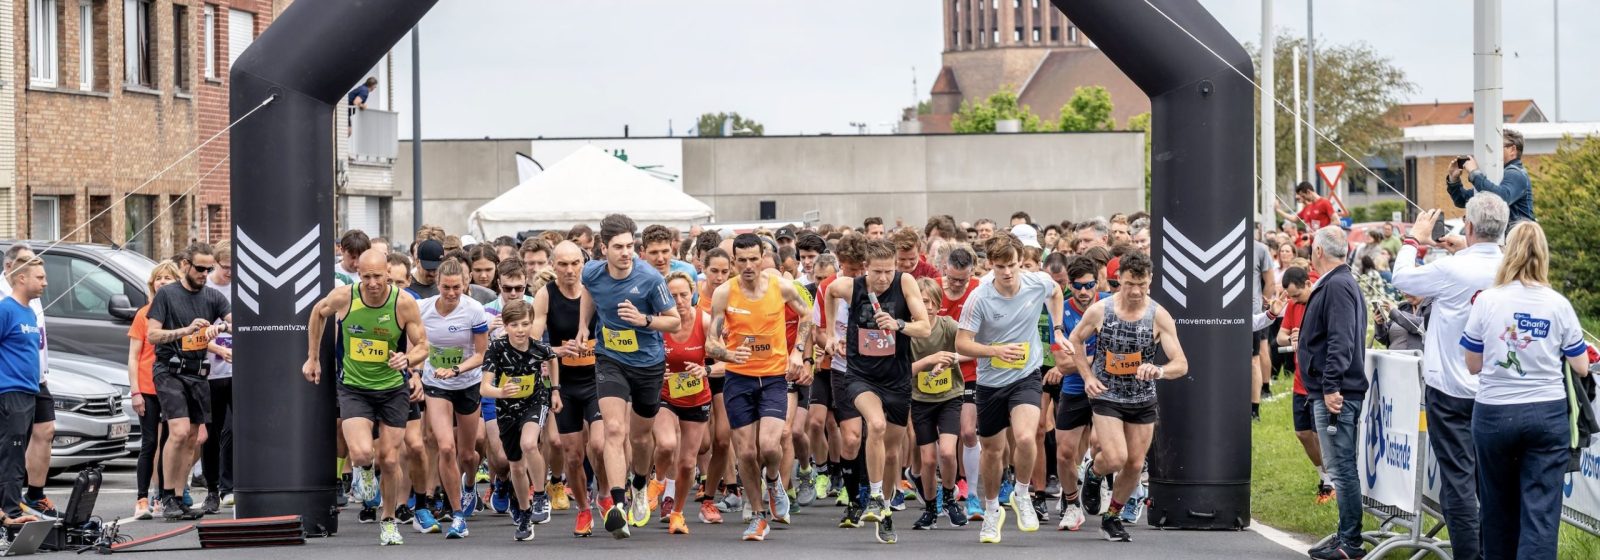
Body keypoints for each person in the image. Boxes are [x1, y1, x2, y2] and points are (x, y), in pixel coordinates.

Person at [1390, 194, 1510, 560]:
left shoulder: (1452, 269)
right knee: (1491, 483)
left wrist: (1414, 239)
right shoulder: (1510, 265)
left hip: (1451, 389)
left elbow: (1401, 279)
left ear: (1469, 227)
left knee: (1457, 483)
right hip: (1498, 389)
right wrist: (1465, 249)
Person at [1462, 221, 1588, 560]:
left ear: (1508, 252)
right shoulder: (1558, 304)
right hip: (1546, 413)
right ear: (1544, 255)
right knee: (1541, 512)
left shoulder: (1487, 301)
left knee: (1496, 507)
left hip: (1493, 413)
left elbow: (1472, 364)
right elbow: (1581, 366)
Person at [303, 249, 428, 546]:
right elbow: (317, 314)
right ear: (358, 274)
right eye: (366, 276)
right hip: (355, 388)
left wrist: (408, 360)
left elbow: (423, 345)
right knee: (360, 453)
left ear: (388, 273)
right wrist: (313, 358)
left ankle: (387, 521)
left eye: (378, 276)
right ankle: (364, 470)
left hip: (392, 390)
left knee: (390, 457)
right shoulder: (345, 296)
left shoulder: (403, 302)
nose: (372, 283)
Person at [1066, 250, 1189, 544]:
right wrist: (1088, 377)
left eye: (1142, 283)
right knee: (1117, 457)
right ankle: (1094, 473)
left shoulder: (1158, 315)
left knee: (1134, 464)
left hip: (1142, 397)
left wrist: (1157, 370)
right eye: (1130, 283)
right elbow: (1075, 340)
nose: (1135, 290)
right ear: (1118, 279)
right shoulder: (1101, 310)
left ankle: (1112, 518)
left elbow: (1181, 364)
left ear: (1150, 281)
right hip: (1106, 394)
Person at [956, 232, 1068, 544]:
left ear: (1022, 262)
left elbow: (1056, 292)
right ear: (990, 265)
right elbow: (961, 342)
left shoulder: (1037, 282)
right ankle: (992, 510)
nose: (1007, 272)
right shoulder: (979, 297)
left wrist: (1057, 328)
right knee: (992, 451)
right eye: (1000, 266)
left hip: (1026, 374)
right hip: (991, 381)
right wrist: (995, 351)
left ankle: (1022, 493)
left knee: (1026, 435)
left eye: (1013, 265)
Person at [824, 237, 932, 545]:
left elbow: (923, 327)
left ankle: (884, 508)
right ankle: (871, 496)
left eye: (888, 271)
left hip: (897, 377)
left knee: (892, 452)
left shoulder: (905, 282)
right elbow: (829, 293)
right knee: (876, 425)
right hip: (860, 376)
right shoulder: (851, 286)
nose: (883, 278)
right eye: (877, 272)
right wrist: (832, 333)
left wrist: (898, 324)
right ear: (865, 268)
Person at [582, 214, 682, 539]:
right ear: (603, 248)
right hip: (610, 359)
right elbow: (588, 291)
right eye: (618, 247)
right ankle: (618, 505)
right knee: (613, 429)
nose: (626, 253)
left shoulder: (650, 279)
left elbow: (675, 322)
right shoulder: (592, 271)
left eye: (630, 246)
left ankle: (640, 483)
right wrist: (585, 325)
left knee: (640, 438)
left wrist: (643, 319)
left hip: (648, 365)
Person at [708, 234, 814, 541]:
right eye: (741, 261)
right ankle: (757, 515)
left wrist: (798, 352)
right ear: (733, 263)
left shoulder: (781, 286)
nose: (748, 266)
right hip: (738, 379)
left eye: (754, 259)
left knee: (769, 446)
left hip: (772, 378)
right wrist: (728, 354)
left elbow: (807, 315)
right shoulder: (724, 293)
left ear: (763, 256)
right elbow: (711, 342)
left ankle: (773, 481)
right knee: (746, 451)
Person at [1296, 226, 1368, 560]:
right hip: (1332, 388)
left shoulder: (1337, 284)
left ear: (1319, 251)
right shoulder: (1338, 282)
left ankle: (1351, 542)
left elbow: (1341, 339)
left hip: (1337, 393)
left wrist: (1330, 386)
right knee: (1339, 466)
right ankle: (1345, 535)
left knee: (1341, 468)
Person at [147, 243, 231, 521]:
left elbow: (236, 322)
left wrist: (221, 327)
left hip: (198, 373)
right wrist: (186, 330)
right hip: (169, 370)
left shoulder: (213, 297)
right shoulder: (168, 295)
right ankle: (166, 495)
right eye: (200, 268)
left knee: (194, 437)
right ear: (185, 264)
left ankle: (180, 497)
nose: (205, 274)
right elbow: (152, 335)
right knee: (180, 431)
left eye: (209, 269)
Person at [533, 241, 603, 537]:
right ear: (553, 265)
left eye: (575, 263)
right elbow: (533, 345)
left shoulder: (597, 293)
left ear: (583, 263)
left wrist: (593, 346)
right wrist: (560, 350)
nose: (570, 270)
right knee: (572, 454)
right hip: (565, 383)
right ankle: (584, 510)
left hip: (599, 379)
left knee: (599, 445)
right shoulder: (545, 295)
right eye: (563, 264)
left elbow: (616, 334)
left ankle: (609, 494)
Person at [478, 299, 561, 542]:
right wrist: (500, 393)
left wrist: (555, 389)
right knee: (514, 464)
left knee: (529, 444)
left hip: (535, 403)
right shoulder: (496, 349)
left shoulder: (538, 347)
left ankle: (540, 495)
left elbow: (552, 357)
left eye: (525, 324)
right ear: (505, 326)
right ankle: (524, 513)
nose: (521, 329)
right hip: (506, 409)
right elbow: (484, 388)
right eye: (514, 325)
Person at [653, 272, 717, 535]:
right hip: (665, 395)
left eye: (683, 295)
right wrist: (657, 372)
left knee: (688, 463)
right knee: (667, 444)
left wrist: (707, 371)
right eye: (672, 295)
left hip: (696, 397)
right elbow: (640, 359)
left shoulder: (705, 320)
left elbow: (727, 360)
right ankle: (656, 482)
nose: (678, 301)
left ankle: (677, 513)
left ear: (693, 293)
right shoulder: (657, 323)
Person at [1050, 255, 1106, 530]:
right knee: (1064, 453)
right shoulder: (1061, 315)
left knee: (1100, 443)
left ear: (1098, 283)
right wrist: (1100, 359)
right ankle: (1072, 505)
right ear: (1069, 285)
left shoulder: (1110, 304)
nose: (1084, 292)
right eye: (1077, 286)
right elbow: (1063, 365)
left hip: (1107, 388)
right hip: (1074, 389)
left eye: (1089, 285)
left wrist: (1083, 358)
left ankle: (1098, 480)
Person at [907, 277, 968, 530]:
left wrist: (951, 358)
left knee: (946, 452)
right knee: (929, 460)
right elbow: (903, 370)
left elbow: (970, 349)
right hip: (920, 400)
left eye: (931, 302)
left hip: (949, 396)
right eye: (921, 302)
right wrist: (928, 362)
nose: (927, 306)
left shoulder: (948, 325)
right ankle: (931, 507)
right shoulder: (907, 333)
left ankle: (951, 498)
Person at [1273, 266, 1335, 504]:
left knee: (1321, 434)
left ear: (1308, 284)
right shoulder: (1294, 305)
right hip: (1300, 380)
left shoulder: (1320, 302)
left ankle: (1331, 482)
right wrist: (1291, 337)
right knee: (1302, 433)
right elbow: (1279, 336)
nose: (1294, 300)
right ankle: (1324, 475)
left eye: (1296, 295)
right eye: (1290, 297)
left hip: (1318, 381)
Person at [0, 245, 53, 520]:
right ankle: (8, 513)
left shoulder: (30, 312)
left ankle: (13, 506)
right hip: (10, 394)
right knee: (11, 456)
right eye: (40, 277)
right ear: (22, 278)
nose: (45, 282)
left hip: (29, 391)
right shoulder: (5, 310)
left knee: (19, 456)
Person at [128, 262, 181, 520]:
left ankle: (162, 496)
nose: (163, 281)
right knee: (149, 442)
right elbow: (133, 356)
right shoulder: (143, 314)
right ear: (152, 283)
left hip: (172, 385)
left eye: (169, 277)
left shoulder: (180, 313)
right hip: (148, 387)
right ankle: (141, 498)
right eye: (159, 278)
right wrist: (135, 391)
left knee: (168, 442)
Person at [201, 242, 235, 513]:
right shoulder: (206, 291)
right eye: (226, 269)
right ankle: (212, 489)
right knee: (211, 433)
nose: (231, 273)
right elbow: (197, 334)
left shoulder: (239, 289)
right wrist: (218, 348)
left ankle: (231, 486)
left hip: (237, 372)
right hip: (212, 372)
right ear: (215, 265)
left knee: (235, 430)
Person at [1449, 128, 1534, 224]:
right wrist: (1454, 179)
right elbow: (1462, 200)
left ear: (1512, 150)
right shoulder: (1499, 175)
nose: (1492, 151)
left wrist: (1474, 173)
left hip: (1519, 238)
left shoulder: (1516, 173)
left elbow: (1501, 199)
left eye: (1497, 147)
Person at [1276, 182, 1343, 231]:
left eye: (1303, 196)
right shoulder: (1308, 207)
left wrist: (1321, 231)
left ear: (1308, 192)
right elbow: (1294, 219)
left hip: (1323, 243)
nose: (1303, 198)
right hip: (1313, 243)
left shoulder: (1324, 202)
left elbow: (1337, 221)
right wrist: (1279, 210)